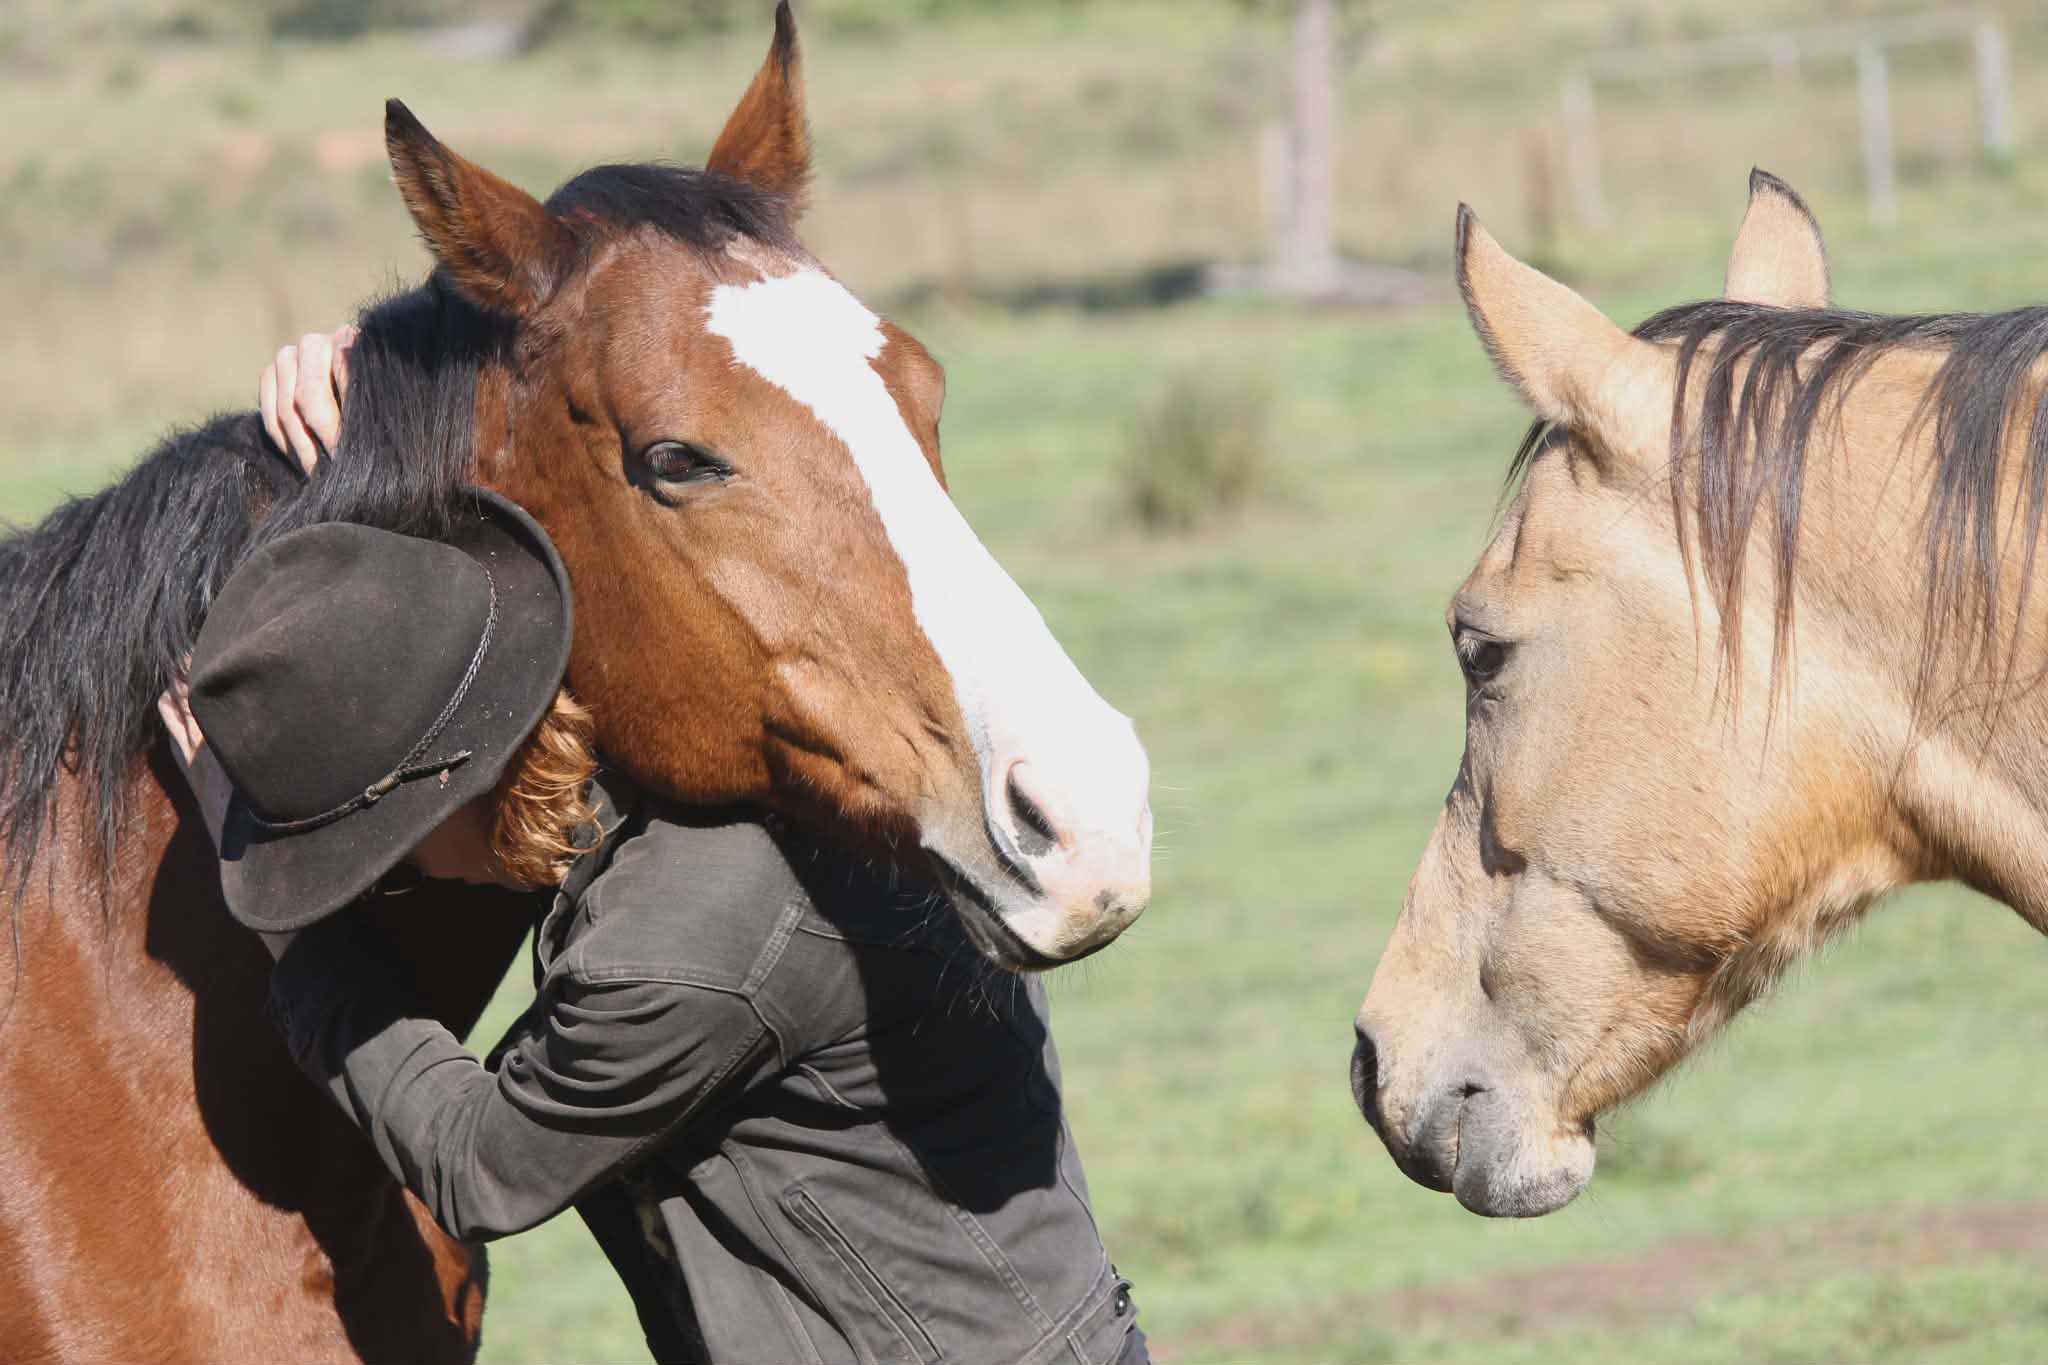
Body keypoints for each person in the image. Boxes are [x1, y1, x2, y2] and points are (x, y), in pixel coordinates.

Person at [156, 333, 1148, 1365]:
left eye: (382, 853)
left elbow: (476, 1162)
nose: (396, 883)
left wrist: (299, 936)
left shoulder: (684, 950)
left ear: (463, 783)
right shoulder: (691, 769)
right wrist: (377, 380)